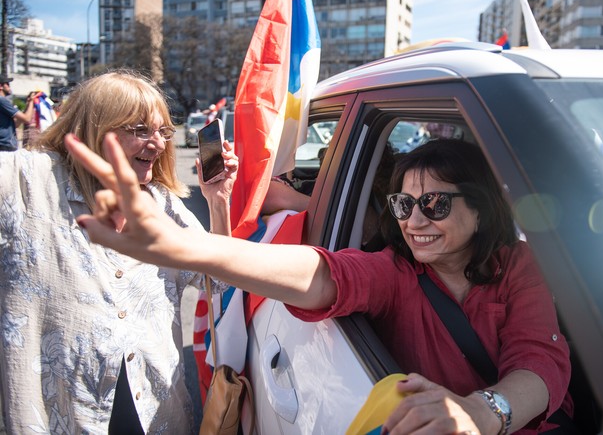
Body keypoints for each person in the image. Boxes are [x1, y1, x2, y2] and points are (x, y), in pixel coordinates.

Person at [65, 136, 573, 434]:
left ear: (481, 208)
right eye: (402, 204)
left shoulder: (517, 265)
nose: (415, 220)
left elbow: (541, 362)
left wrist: (480, 414)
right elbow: (322, 274)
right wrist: (188, 250)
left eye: (435, 204)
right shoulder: (394, 272)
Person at [0, 70, 238, 434]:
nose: (157, 144)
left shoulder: (163, 204)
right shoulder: (24, 179)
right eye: (140, 130)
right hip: (62, 415)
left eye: (163, 132)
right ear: (96, 127)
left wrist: (218, 202)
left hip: (157, 411)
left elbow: (221, 280)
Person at [0, 75, 36, 151]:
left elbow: (16, 123)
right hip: (5, 144)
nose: (9, 87)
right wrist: (32, 101)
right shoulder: (2, 101)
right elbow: (27, 119)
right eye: (7, 84)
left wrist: (28, 104)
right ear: (1, 86)